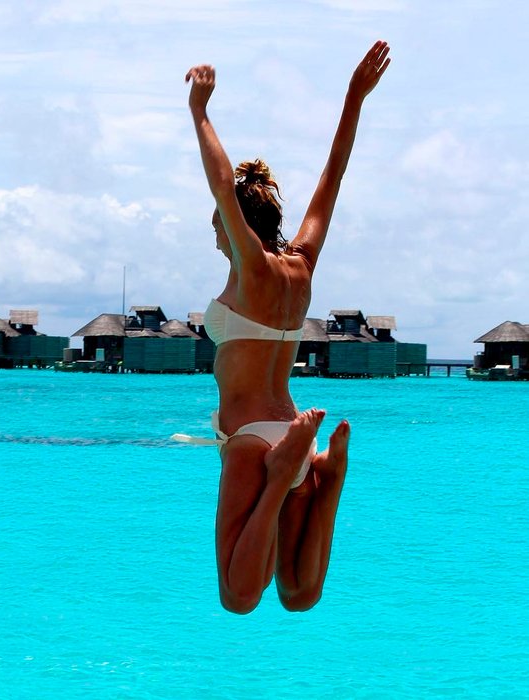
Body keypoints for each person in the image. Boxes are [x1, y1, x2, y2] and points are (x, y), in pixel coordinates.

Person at [176, 41, 391, 614]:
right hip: (292, 427)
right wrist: (354, 98)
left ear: (237, 225)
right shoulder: (302, 266)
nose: (216, 234)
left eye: (219, 227)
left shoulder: (253, 268)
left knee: (239, 598)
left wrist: (200, 110)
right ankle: (327, 474)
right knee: (299, 595)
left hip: (252, 442)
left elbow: (223, 185)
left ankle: (283, 478)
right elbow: (333, 179)